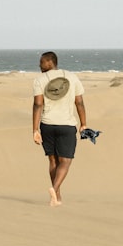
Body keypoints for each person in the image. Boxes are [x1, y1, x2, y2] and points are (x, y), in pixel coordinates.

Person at [32, 51, 87, 206]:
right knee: (66, 161)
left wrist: (35, 130)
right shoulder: (72, 77)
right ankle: (54, 189)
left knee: (53, 160)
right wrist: (83, 124)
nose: (39, 65)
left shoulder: (40, 80)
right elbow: (80, 103)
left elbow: (38, 104)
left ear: (50, 62)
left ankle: (57, 196)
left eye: (42, 62)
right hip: (67, 125)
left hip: (47, 125)